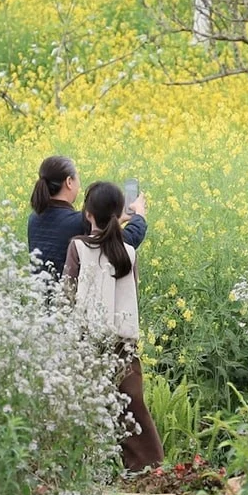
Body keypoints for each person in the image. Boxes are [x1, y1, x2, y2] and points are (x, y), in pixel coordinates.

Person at [63, 180, 165, 473]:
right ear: (121, 214)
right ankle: (147, 467)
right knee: (132, 406)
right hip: (123, 341)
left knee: (82, 404)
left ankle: (78, 468)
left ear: (88, 214)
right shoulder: (128, 252)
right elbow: (131, 292)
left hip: (87, 340)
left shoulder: (78, 247)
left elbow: (67, 294)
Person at [28, 154, 146, 278]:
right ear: (69, 182)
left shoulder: (34, 218)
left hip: (41, 295)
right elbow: (123, 243)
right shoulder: (79, 222)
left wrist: (117, 220)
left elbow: (60, 232)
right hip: (72, 296)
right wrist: (139, 216)